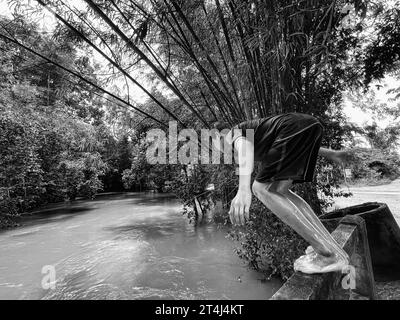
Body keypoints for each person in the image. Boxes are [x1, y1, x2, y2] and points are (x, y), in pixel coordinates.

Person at [218, 112, 352, 274]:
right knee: (280, 190)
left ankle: (326, 255)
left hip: (292, 127)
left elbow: (245, 147)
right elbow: (297, 138)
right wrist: (330, 154)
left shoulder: (231, 133)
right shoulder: (257, 135)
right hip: (308, 126)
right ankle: (330, 247)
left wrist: (243, 190)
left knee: (260, 188)